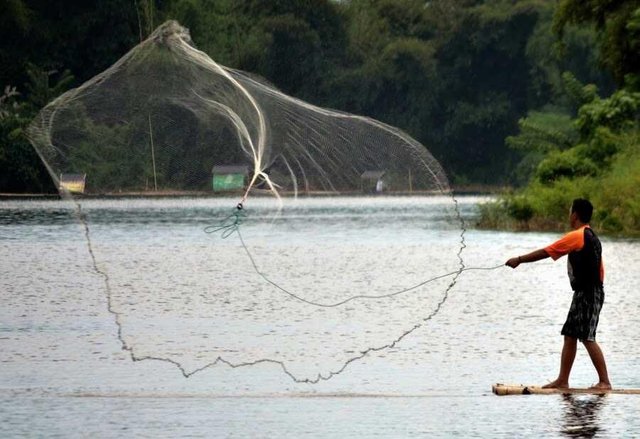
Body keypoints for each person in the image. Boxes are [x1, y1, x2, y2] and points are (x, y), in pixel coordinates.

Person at [505, 198, 611, 390]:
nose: (569, 215)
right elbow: (600, 269)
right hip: (586, 292)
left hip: (589, 293)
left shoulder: (577, 235)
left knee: (587, 336)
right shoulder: (592, 236)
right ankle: (563, 380)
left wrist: (519, 259)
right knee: (570, 334)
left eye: (570, 211)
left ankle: (605, 382)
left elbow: (547, 251)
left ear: (575, 215)